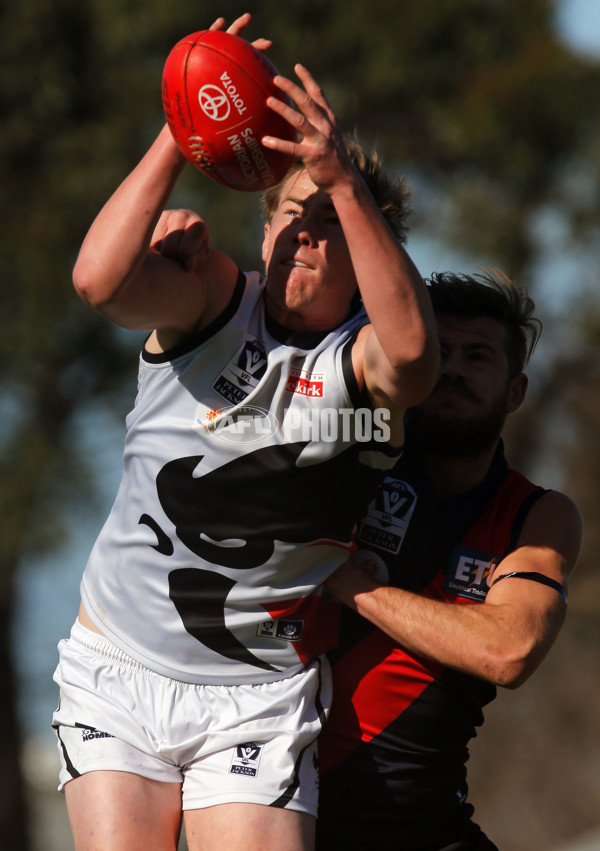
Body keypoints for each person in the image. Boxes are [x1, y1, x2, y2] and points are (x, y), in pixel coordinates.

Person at [51, 12, 439, 851]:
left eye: (330, 223)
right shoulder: (213, 300)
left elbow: (415, 352)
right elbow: (98, 279)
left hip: (253, 695)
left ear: (370, 253)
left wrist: (343, 181)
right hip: (119, 660)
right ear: (263, 229)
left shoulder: (364, 364)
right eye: (292, 215)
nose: (306, 233)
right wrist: (181, 132)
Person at [316, 270, 583, 851]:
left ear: (516, 392)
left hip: (424, 830)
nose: (454, 369)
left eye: (479, 356)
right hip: (282, 814)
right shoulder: (348, 455)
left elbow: (508, 650)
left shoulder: (535, 516)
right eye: (442, 351)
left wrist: (344, 581)